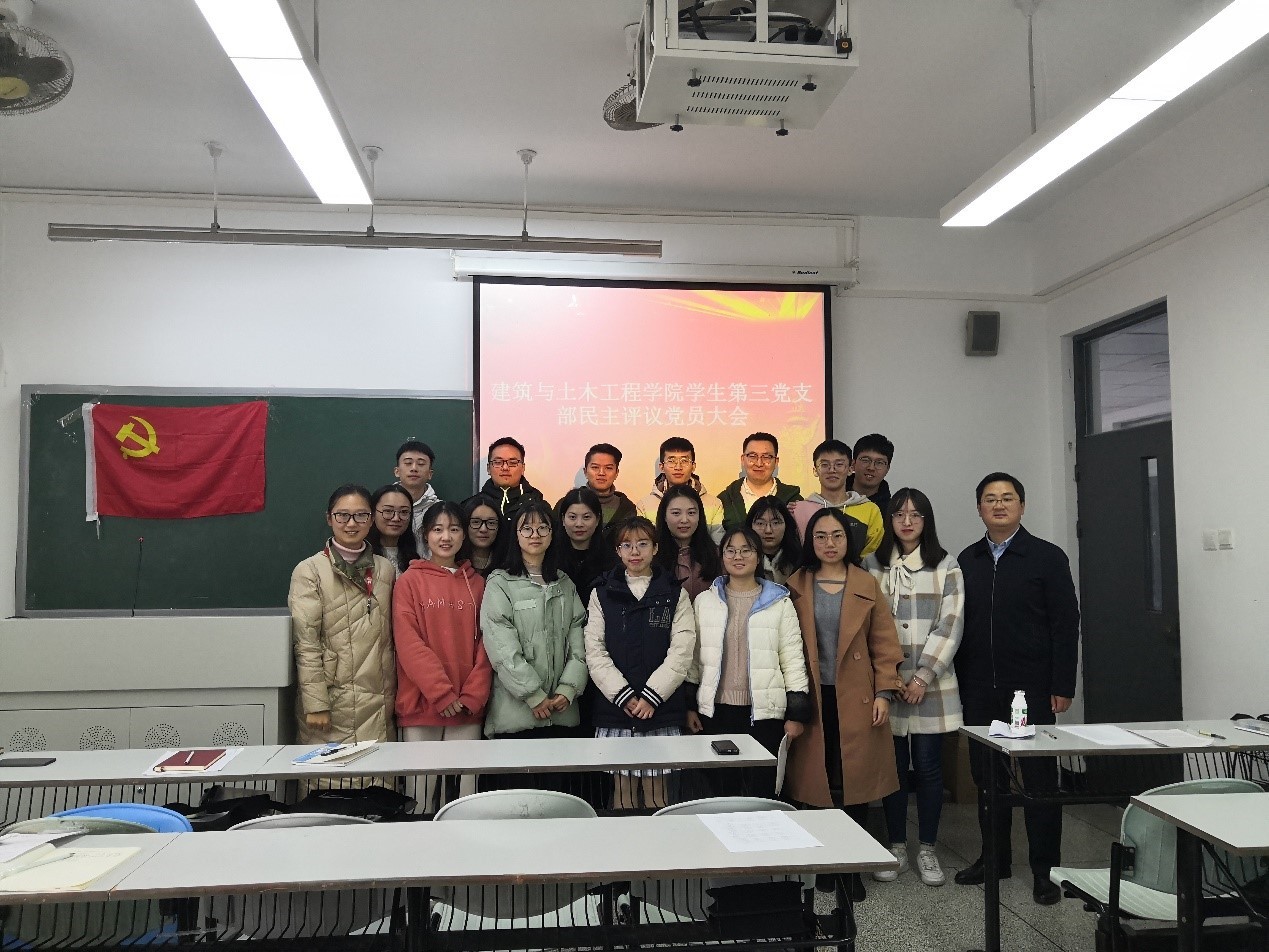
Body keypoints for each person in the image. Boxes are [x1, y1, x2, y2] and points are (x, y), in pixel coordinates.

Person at [953, 473, 1079, 906]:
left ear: (1022, 506)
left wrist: (1062, 684)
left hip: (1032, 689)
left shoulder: (1047, 557)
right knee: (987, 779)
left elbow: (1066, 625)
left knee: (1039, 781)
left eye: (1007, 498)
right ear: (979, 509)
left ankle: (1046, 871)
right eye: (990, 499)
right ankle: (995, 860)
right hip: (979, 687)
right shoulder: (966, 559)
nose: (999, 505)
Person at [784, 507, 904, 901]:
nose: (829, 543)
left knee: (854, 783)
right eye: (820, 536)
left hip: (858, 697)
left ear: (848, 540)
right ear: (810, 541)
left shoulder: (866, 583)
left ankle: (851, 868)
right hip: (813, 697)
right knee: (818, 784)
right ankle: (825, 865)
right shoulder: (796, 584)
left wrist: (885, 693)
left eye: (837, 535)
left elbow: (884, 644)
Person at [863, 489, 964, 888]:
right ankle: (896, 846)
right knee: (893, 769)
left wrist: (922, 676)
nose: (907, 522)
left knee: (928, 766)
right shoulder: (873, 565)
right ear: (889, 520)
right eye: (899, 515)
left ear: (927, 520)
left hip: (931, 685)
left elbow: (951, 625)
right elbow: (867, 625)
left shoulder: (946, 565)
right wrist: (889, 677)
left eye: (916, 515)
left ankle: (928, 848)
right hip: (886, 685)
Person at [689, 525, 812, 797]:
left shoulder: (779, 602)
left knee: (761, 789)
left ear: (758, 557)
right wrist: (690, 706)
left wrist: (796, 713)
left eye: (746, 550)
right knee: (721, 790)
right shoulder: (705, 601)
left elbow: (792, 660)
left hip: (764, 713)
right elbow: (694, 659)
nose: (738, 556)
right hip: (716, 712)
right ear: (722, 556)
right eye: (731, 550)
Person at [585, 516, 696, 809]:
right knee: (622, 794)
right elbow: (595, 651)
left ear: (656, 548)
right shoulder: (601, 593)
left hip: (660, 708)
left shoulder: (675, 593)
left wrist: (652, 696)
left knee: (657, 794)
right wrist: (622, 695)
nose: (635, 552)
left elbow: (682, 651)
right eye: (627, 545)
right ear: (618, 551)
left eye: (643, 544)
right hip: (616, 708)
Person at [392, 501, 493, 812]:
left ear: (464, 535)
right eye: (437, 529)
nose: (445, 537)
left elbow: (487, 644)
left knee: (465, 800)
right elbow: (409, 643)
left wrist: (472, 696)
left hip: (466, 707)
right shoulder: (409, 581)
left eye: (454, 529)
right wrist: (441, 693)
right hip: (423, 704)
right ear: (425, 534)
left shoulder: (478, 584)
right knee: (421, 797)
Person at [289, 484, 396, 751]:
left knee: (378, 773)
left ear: (371, 519)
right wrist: (315, 703)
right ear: (329, 518)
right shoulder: (309, 571)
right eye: (342, 515)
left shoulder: (385, 569)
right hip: (332, 703)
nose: (351, 523)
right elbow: (306, 642)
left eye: (360, 515)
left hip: (380, 700)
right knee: (331, 774)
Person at [479, 500, 588, 748]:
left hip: (562, 711)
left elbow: (579, 644)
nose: (535, 535)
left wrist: (568, 689)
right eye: (526, 528)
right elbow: (501, 648)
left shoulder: (565, 583)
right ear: (515, 535)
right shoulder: (500, 582)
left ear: (552, 533)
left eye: (543, 528)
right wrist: (533, 695)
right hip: (516, 714)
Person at [790, 439, 884, 558]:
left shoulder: (870, 510)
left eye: (839, 464)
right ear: (815, 470)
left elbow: (872, 557)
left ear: (850, 468)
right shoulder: (799, 510)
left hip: (859, 570)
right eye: (824, 465)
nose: (832, 470)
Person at [636, 436, 725, 542]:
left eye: (684, 461)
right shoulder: (645, 506)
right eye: (671, 461)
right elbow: (643, 544)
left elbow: (718, 545)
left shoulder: (714, 504)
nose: (678, 467)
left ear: (693, 466)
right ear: (661, 467)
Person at [653, 484, 722, 604]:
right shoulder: (652, 556)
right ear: (664, 516)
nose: (684, 520)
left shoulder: (716, 555)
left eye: (691, 513)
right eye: (676, 513)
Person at [718, 432, 802, 530]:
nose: (759, 463)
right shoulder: (724, 501)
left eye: (766, 457)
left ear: (776, 462)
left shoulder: (794, 501)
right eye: (752, 456)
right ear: (743, 459)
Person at [553, 487, 615, 605]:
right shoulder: (550, 558)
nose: (579, 524)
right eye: (572, 517)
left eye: (586, 517)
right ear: (563, 519)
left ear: (597, 520)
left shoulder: (611, 562)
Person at [478, 436, 543, 528]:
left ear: (523, 468)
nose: (505, 468)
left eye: (512, 463)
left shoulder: (538, 504)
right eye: (498, 462)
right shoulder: (474, 506)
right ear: (488, 468)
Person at [393, 440, 441, 545]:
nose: (414, 468)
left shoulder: (440, 510)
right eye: (408, 463)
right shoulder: (381, 507)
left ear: (430, 474)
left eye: (421, 464)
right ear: (397, 471)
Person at [581, 442, 637, 531]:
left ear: (616, 473)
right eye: (595, 467)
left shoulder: (627, 508)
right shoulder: (568, 503)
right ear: (585, 472)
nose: (601, 473)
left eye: (608, 468)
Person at [367, 483, 420, 577]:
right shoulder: (361, 556)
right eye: (388, 511)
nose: (396, 518)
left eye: (404, 512)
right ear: (373, 513)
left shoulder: (415, 560)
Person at [746, 497, 801, 585]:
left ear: (786, 524)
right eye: (760, 523)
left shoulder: (799, 560)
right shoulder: (742, 560)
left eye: (775, 523)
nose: (768, 530)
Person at [846, 434, 894, 515]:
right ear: (853, 464)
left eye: (879, 463)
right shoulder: (832, 499)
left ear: (887, 469)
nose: (871, 468)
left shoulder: (891, 511)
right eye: (865, 460)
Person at [460, 493, 501, 576]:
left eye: (491, 523)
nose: (483, 529)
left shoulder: (508, 565)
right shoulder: (454, 563)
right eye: (476, 522)